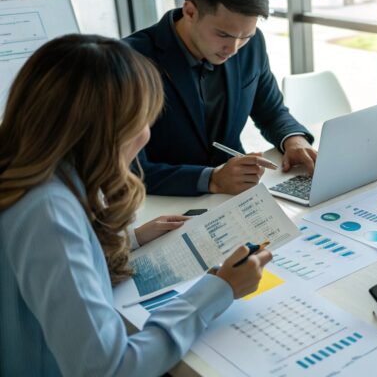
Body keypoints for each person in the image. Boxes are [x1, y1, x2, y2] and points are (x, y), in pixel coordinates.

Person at [0, 34, 272, 375]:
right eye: (143, 121)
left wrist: (127, 240)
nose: (146, 135)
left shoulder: (30, 175)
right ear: (104, 131)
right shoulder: (49, 213)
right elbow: (111, 368)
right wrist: (219, 290)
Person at [124, 0, 317, 197]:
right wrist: (211, 179)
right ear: (190, 11)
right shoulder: (128, 61)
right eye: (223, 34)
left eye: (245, 36)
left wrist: (294, 140)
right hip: (161, 203)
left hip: (236, 196)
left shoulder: (252, 45)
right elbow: (128, 168)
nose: (234, 48)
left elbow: (271, 111)